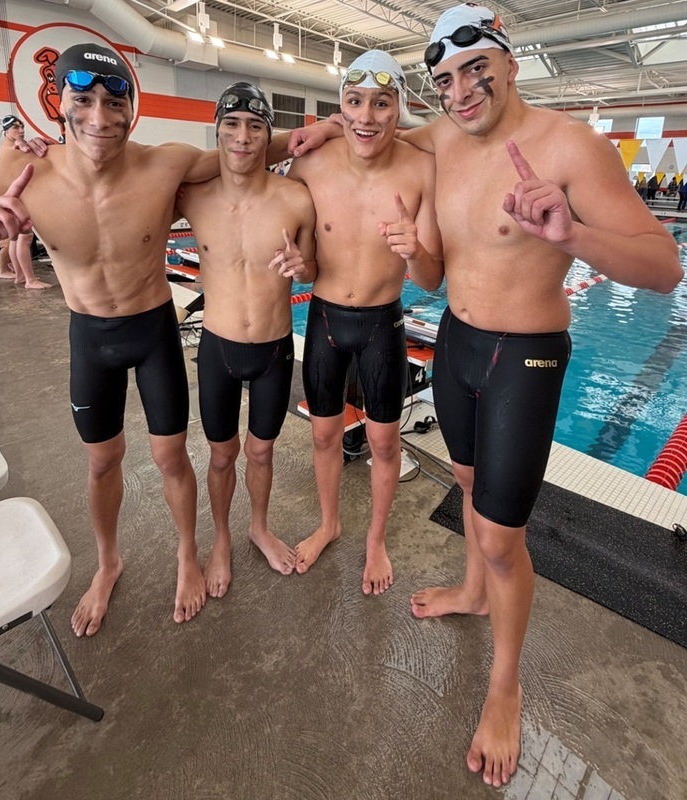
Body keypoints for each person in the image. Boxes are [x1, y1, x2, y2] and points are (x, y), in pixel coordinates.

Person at [319, 4, 680, 788]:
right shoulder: (441, 138)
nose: (459, 89)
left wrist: (569, 235)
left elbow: (662, 267)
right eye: (443, 79)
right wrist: (302, 133)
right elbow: (366, 129)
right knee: (469, 488)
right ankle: (473, 596)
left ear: (509, 63)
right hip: (454, 344)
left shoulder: (570, 147)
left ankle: (505, 688)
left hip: (526, 359)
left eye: (472, 69)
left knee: (501, 537)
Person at [0, 42, 338, 637]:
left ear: (131, 108)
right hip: (89, 334)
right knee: (102, 461)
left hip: (153, 332)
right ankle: (108, 562)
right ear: (58, 103)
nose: (100, 117)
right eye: (84, 99)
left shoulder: (165, 166)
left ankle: (187, 554)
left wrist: (330, 125)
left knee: (171, 456)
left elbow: (242, 150)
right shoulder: (22, 172)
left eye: (113, 101)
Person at [285, 50, 443, 595]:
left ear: (400, 106)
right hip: (324, 316)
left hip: (383, 324)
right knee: (325, 433)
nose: (367, 117)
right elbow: (303, 258)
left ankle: (375, 540)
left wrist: (415, 249)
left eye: (382, 103)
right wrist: (294, 266)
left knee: (383, 443)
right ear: (341, 107)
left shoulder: (421, 169)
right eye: (354, 102)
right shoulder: (312, 163)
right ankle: (329, 524)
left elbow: (429, 278)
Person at [174, 83, 317, 597]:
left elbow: (313, 267)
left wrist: (305, 267)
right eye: (231, 125)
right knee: (220, 454)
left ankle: (258, 527)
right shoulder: (192, 197)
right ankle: (220, 539)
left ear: (267, 134)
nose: (243, 136)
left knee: (262, 451)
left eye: (255, 126)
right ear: (216, 131)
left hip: (275, 349)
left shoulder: (295, 199)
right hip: (218, 348)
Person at [0, 116, 52, 290]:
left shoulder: (6, 148)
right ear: (6, 132)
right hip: (19, 197)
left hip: (15, 197)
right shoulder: (11, 149)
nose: (21, 130)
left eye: (21, 126)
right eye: (15, 128)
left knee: (16, 239)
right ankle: (30, 279)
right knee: (25, 238)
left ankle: (21, 276)